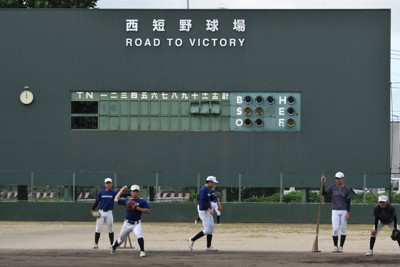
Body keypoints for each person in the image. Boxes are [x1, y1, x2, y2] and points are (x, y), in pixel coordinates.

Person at [110, 185, 151, 257]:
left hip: (136, 223)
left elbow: (148, 211)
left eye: (136, 191)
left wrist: (137, 208)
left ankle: (142, 251)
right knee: (121, 239)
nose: (135, 193)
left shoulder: (141, 201)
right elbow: (116, 199)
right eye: (133, 191)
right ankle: (113, 247)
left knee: (139, 235)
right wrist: (121, 190)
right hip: (127, 223)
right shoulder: (126, 200)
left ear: (139, 192)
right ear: (131, 192)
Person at [321, 172, 351, 253]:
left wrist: (348, 212)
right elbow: (323, 193)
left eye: (338, 178)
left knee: (343, 229)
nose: (337, 180)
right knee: (335, 229)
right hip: (335, 210)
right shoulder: (332, 187)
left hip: (344, 210)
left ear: (342, 179)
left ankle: (341, 247)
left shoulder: (347, 189)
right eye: (336, 178)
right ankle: (335, 246)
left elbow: (348, 201)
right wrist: (323, 184)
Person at [189, 176, 219, 251]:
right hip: (204, 211)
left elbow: (209, 199)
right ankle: (192, 240)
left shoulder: (208, 190)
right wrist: (209, 209)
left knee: (211, 228)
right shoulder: (203, 190)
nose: (214, 184)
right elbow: (202, 200)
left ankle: (208, 247)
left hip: (207, 210)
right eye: (213, 183)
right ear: (209, 182)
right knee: (207, 230)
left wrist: (214, 196)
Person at [91, 178, 117, 249]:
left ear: (111, 184)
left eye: (109, 183)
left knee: (111, 229)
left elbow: (119, 197)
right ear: (105, 184)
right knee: (98, 228)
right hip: (101, 212)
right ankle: (96, 244)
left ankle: (112, 245)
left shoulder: (114, 193)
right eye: (107, 183)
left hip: (109, 212)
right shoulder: (101, 193)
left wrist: (122, 191)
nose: (108, 184)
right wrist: (92, 209)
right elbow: (96, 202)